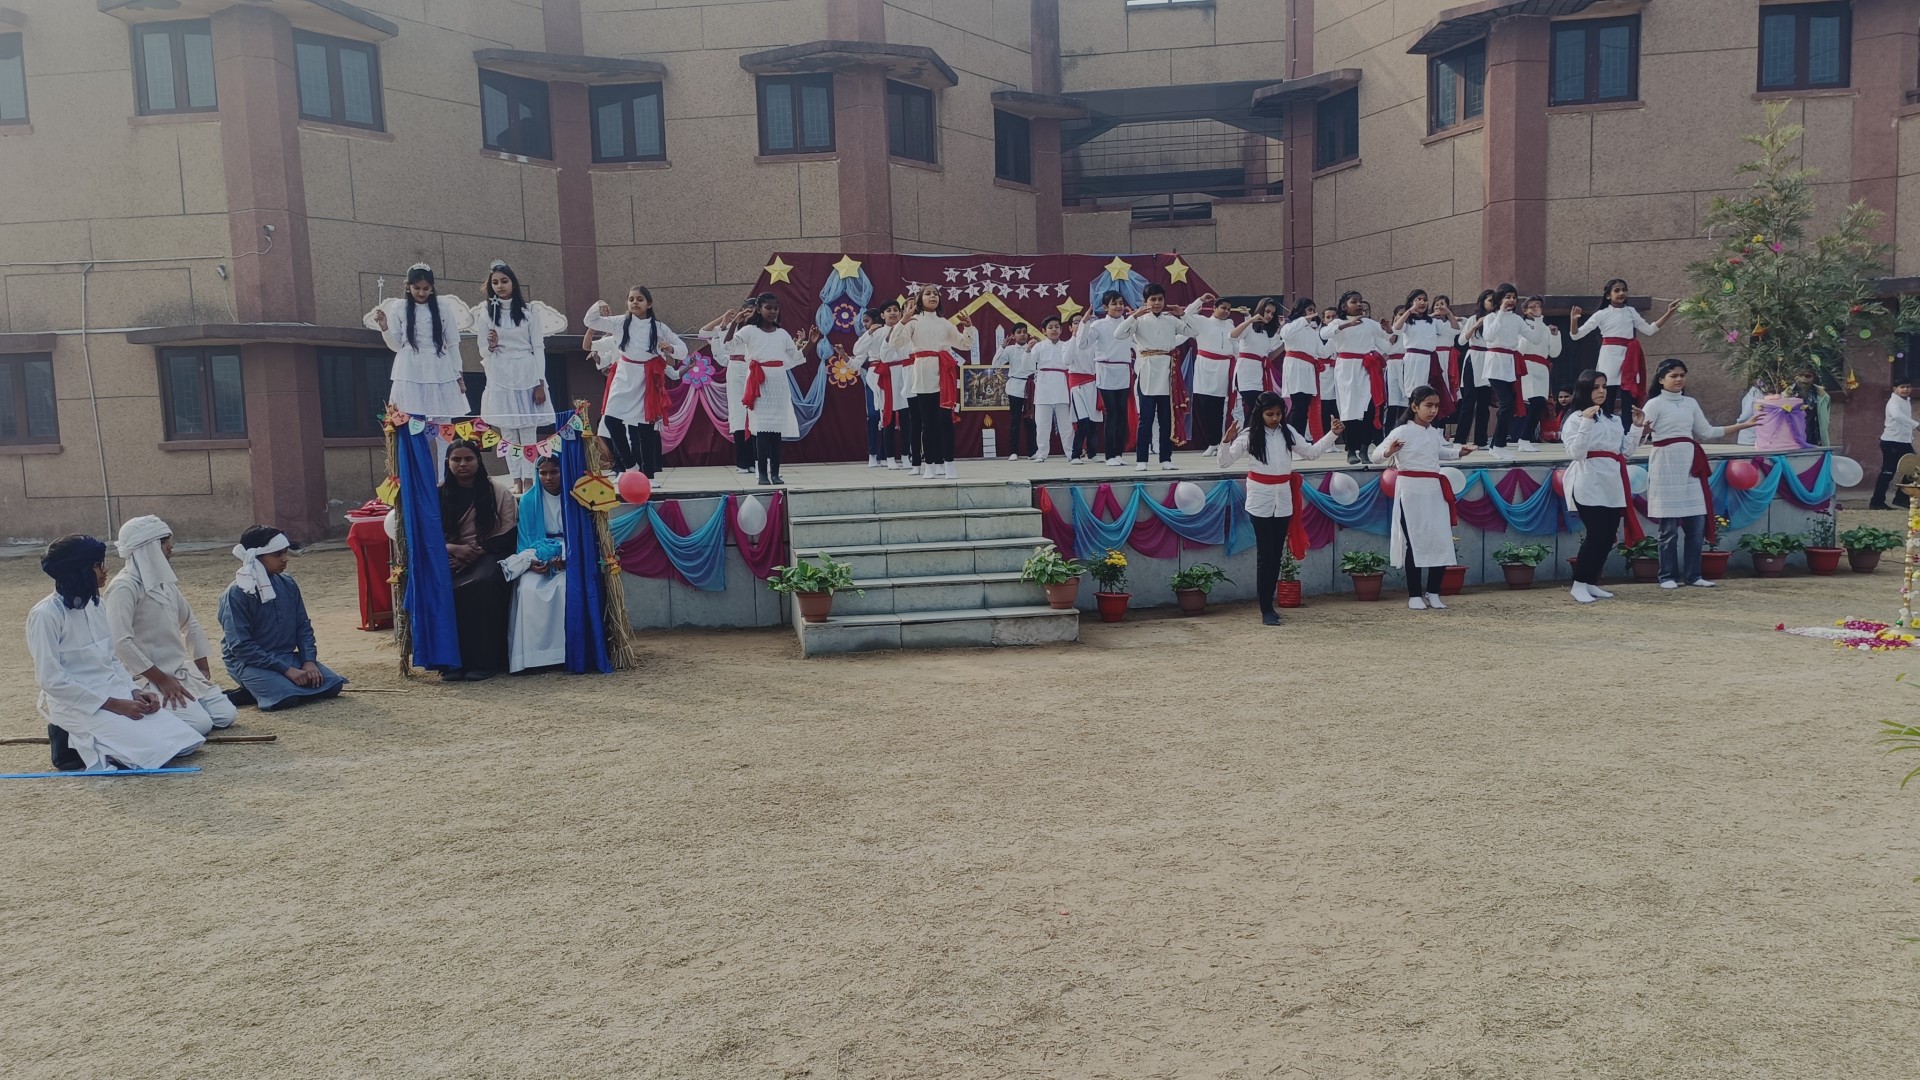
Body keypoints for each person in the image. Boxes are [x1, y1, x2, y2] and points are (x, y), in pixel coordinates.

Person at [29, 535, 206, 772]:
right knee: (154, 754)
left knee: (186, 742)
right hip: (79, 704)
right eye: (96, 565)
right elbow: (51, 680)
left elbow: (111, 660)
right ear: (77, 570)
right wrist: (113, 705)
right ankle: (68, 739)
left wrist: (134, 692)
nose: (105, 570)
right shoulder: (45, 615)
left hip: (115, 693)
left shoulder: (97, 605)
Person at [103, 515, 236, 736]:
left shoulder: (165, 583)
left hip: (179, 672)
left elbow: (190, 623)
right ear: (148, 547)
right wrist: (163, 680)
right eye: (164, 542)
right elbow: (120, 642)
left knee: (225, 715)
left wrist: (202, 668)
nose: (170, 547)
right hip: (145, 677)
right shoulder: (123, 587)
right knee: (200, 725)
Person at [1217, 392, 1342, 626]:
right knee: (1266, 555)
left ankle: (1269, 604)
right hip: (1260, 500)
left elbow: (1311, 453)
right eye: (1270, 414)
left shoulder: (1288, 432)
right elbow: (1224, 462)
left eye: (1278, 413)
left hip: (1283, 500)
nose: (1275, 418)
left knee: (1275, 555)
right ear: (1260, 414)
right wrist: (1226, 441)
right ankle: (1265, 608)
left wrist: (1332, 434)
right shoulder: (1249, 435)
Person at [1641, 359, 1760, 589]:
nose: (1679, 379)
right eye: (1673, 375)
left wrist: (1744, 425)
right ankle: (1667, 576)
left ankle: (1693, 575)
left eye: (1682, 375)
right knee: (1668, 529)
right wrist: (1641, 428)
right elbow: (1638, 437)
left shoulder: (1690, 403)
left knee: (1696, 526)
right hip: (1666, 466)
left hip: (1690, 465)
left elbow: (1706, 432)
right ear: (1661, 379)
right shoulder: (1654, 404)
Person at [217, 525, 349, 708]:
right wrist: (286, 670)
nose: (285, 558)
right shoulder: (236, 593)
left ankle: (261, 689)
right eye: (277, 554)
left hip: (287, 657)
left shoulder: (288, 583)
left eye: (286, 552)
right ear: (257, 556)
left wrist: (309, 661)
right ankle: (254, 689)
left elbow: (303, 626)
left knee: (332, 685)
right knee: (286, 698)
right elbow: (241, 646)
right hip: (250, 663)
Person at [470, 261, 565, 491]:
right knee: (508, 431)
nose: (500, 286)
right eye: (495, 282)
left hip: (526, 372)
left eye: (504, 281)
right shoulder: (486, 313)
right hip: (500, 374)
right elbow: (482, 350)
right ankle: (516, 478)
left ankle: (530, 478)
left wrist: (540, 382)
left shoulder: (528, 312)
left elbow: (538, 347)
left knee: (528, 429)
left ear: (513, 282)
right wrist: (491, 345)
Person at [371, 264, 473, 477]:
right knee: (416, 428)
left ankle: (445, 479)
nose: (421, 292)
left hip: (440, 369)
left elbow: (453, 343)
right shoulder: (399, 307)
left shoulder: (442, 307)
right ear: (408, 287)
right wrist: (384, 327)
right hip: (410, 371)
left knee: (444, 429)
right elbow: (396, 345)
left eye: (426, 288)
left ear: (432, 288)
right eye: (417, 288)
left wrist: (459, 376)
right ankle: (421, 479)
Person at [1380, 385, 1476, 610]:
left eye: (1436, 406)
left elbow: (1440, 452)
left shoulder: (1434, 432)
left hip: (1434, 490)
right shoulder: (1402, 431)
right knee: (1415, 541)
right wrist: (1389, 451)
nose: (1433, 410)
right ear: (1415, 407)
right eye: (1428, 405)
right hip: (1411, 490)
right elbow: (1377, 455)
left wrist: (1459, 452)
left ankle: (1433, 592)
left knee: (1440, 540)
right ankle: (1414, 594)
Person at [1560, 370, 1646, 604]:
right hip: (1588, 480)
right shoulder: (1575, 418)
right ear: (1584, 390)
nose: (1601, 391)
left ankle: (1590, 581)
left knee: (1608, 536)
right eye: (1595, 387)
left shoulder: (1613, 419)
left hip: (1612, 481)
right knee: (1596, 534)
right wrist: (1586, 422)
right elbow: (1576, 453)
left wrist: (1636, 427)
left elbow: (1624, 452)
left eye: (1604, 386)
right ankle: (1579, 584)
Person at [585, 286, 686, 481]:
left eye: (640, 299)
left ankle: (648, 475)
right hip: (624, 375)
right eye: (631, 299)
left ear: (649, 304)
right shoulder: (620, 322)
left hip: (646, 379)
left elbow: (682, 350)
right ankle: (630, 465)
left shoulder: (659, 327)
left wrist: (671, 348)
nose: (635, 303)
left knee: (644, 429)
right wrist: (599, 305)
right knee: (611, 420)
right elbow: (590, 321)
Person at [437, 439, 519, 678]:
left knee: (483, 584)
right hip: (449, 554)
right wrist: (452, 548)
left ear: (479, 461)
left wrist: (475, 551)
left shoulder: (497, 491)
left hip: (489, 552)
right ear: (448, 462)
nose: (463, 464)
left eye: (468, 459)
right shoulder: (438, 494)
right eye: (456, 459)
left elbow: (509, 532)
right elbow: (427, 534)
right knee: (438, 587)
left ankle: (485, 662)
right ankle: (452, 663)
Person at [886, 284, 976, 479]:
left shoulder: (944, 323)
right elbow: (895, 343)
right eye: (928, 293)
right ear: (920, 298)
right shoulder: (913, 322)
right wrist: (903, 320)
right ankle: (930, 465)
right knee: (928, 423)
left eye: (935, 294)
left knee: (945, 421)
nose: (932, 296)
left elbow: (966, 344)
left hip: (943, 374)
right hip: (922, 373)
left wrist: (968, 327)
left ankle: (949, 464)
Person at [1115, 284, 1207, 472]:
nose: (1157, 303)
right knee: (1146, 419)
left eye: (1160, 299)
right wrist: (1133, 316)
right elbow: (1118, 334)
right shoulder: (1139, 321)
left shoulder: (1170, 320)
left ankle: (1166, 458)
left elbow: (1194, 332)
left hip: (1168, 373)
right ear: (1145, 301)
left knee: (1166, 419)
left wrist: (1183, 314)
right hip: (1148, 371)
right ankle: (1141, 460)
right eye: (1153, 299)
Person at [729, 293, 819, 485]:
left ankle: (775, 473)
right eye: (768, 308)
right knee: (761, 430)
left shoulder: (782, 334)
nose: (772, 311)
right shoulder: (749, 330)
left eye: (775, 308)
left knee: (776, 432)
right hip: (758, 382)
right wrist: (733, 325)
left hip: (778, 383)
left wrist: (811, 342)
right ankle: (762, 473)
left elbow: (795, 358)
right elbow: (728, 345)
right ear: (759, 309)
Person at [1569, 279, 1678, 416]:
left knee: (1629, 396)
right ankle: (1606, 422)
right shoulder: (1601, 314)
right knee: (1608, 394)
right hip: (1609, 356)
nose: (1621, 293)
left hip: (1629, 356)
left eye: (1624, 290)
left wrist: (1669, 313)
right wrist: (1573, 321)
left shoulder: (1630, 311)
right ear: (1608, 295)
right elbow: (1576, 335)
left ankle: (1629, 427)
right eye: (1617, 290)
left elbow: (1649, 330)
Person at [506, 455, 570, 673]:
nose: (548, 478)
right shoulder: (528, 500)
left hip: (567, 556)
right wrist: (533, 562)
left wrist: (566, 559)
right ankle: (532, 657)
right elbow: (524, 539)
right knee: (528, 588)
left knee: (563, 588)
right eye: (543, 473)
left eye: (554, 472)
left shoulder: (575, 497)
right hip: (537, 555)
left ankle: (563, 654)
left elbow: (582, 536)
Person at [1320, 290, 1390, 464]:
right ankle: (1351, 450)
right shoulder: (1338, 322)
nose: (1359, 304)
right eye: (1354, 301)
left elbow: (1387, 342)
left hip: (1367, 369)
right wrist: (1347, 325)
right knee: (1350, 411)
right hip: (1346, 370)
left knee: (1370, 409)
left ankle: (1365, 449)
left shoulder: (1369, 323)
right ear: (1344, 306)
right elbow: (1323, 334)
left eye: (1360, 301)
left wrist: (1389, 330)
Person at [700, 297, 762, 477]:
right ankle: (743, 462)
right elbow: (703, 333)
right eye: (747, 310)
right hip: (735, 370)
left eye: (753, 311)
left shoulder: (759, 329)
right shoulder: (730, 328)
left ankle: (756, 460)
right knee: (738, 414)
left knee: (756, 413)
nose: (749, 314)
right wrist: (725, 318)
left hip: (754, 370)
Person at [847, 305, 905, 469]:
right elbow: (857, 355)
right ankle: (872, 454)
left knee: (890, 416)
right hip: (875, 376)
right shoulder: (871, 336)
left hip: (895, 373)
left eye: (867, 321)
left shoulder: (898, 332)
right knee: (874, 415)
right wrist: (869, 333)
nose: (865, 325)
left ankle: (886, 455)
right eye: (864, 322)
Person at [1186, 294, 1239, 454]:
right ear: (1214, 308)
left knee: (1219, 408)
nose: (1226, 311)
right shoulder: (1202, 321)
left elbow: (1235, 347)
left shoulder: (1230, 325)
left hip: (1223, 368)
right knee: (1205, 406)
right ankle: (1212, 442)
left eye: (1228, 309)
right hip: (1205, 367)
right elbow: (1186, 314)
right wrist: (1200, 300)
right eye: (1223, 308)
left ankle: (1220, 442)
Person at [1515, 296, 1560, 452]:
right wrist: (1533, 330)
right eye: (1532, 306)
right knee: (1531, 403)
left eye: (1538, 306)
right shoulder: (1520, 326)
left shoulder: (1546, 329)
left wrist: (1555, 335)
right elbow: (1521, 348)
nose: (1535, 309)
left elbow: (1554, 352)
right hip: (1526, 366)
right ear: (1525, 310)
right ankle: (1522, 438)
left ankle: (1525, 438)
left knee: (1539, 404)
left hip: (1542, 368)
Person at [1027, 316, 1074, 463]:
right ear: (1044, 331)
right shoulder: (1038, 347)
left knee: (1066, 424)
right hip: (1043, 387)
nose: (1054, 330)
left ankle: (1071, 453)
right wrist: (1028, 350)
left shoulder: (1066, 345)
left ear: (1061, 329)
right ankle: (1042, 453)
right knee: (1042, 424)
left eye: (1056, 327)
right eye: (1050, 327)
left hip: (1061, 386)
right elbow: (1028, 366)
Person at [1230, 296, 1282, 428]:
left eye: (1272, 314)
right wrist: (1250, 319)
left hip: (1259, 375)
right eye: (1267, 311)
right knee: (1255, 407)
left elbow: (1270, 356)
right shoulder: (1250, 325)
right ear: (1260, 309)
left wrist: (1285, 342)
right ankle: (1247, 436)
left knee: (1257, 409)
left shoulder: (1267, 333)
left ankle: (1250, 435)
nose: (1269, 316)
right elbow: (1232, 335)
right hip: (1245, 373)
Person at [1453, 290, 1495, 448]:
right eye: (1489, 300)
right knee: (1469, 401)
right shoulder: (1473, 319)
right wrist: (1476, 325)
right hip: (1474, 357)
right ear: (1482, 302)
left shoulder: (1497, 319)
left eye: (1495, 301)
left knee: (1484, 403)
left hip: (1489, 359)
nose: (1492, 303)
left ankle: (1481, 440)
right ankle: (1460, 439)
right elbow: (1461, 341)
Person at [1278, 297, 1325, 437]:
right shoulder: (1290, 326)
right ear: (1301, 310)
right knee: (1298, 406)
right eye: (1309, 309)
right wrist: (1304, 320)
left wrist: (1335, 337)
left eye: (1314, 310)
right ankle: (1293, 440)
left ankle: (1300, 440)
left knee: (1304, 408)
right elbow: (1285, 334)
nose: (1313, 313)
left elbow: (1322, 352)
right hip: (1295, 367)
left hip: (1309, 370)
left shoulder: (1312, 330)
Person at [1870, 377, 1917, 510]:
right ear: (1895, 389)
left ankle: (1901, 499)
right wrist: (1916, 425)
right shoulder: (1893, 402)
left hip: (1904, 442)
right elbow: (1897, 416)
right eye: (1902, 387)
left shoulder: (1906, 400)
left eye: (1908, 387)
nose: (1905, 389)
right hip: (1891, 442)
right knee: (1888, 472)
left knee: (1914, 469)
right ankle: (1876, 502)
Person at [992, 323, 1038, 460]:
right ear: (1013, 335)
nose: (1022, 334)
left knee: (1031, 421)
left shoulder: (1034, 347)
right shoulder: (1010, 349)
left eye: (1024, 331)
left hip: (1031, 387)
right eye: (1019, 332)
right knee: (1015, 421)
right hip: (1015, 388)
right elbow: (995, 364)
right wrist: (1002, 347)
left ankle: (1032, 451)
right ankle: (1013, 451)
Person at [1065, 313, 1101, 463]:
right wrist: (1074, 339)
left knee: (1093, 421)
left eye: (1083, 322)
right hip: (1077, 386)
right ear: (1070, 327)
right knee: (1083, 421)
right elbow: (1067, 361)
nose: (1080, 325)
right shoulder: (1068, 344)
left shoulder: (1093, 344)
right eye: (1076, 323)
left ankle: (1092, 453)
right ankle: (1075, 454)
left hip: (1092, 385)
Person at [1791, 367, 1831, 447]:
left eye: (1808, 376)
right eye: (1800, 375)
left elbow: (1826, 418)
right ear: (1795, 377)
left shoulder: (1822, 395)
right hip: (1795, 437)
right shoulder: (1787, 394)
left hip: (1815, 435)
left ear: (1813, 378)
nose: (1804, 379)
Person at [1735, 378, 1767, 447]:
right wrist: (1739, 423)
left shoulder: (1756, 393)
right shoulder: (1755, 394)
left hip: (1753, 437)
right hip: (1749, 437)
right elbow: (1746, 414)